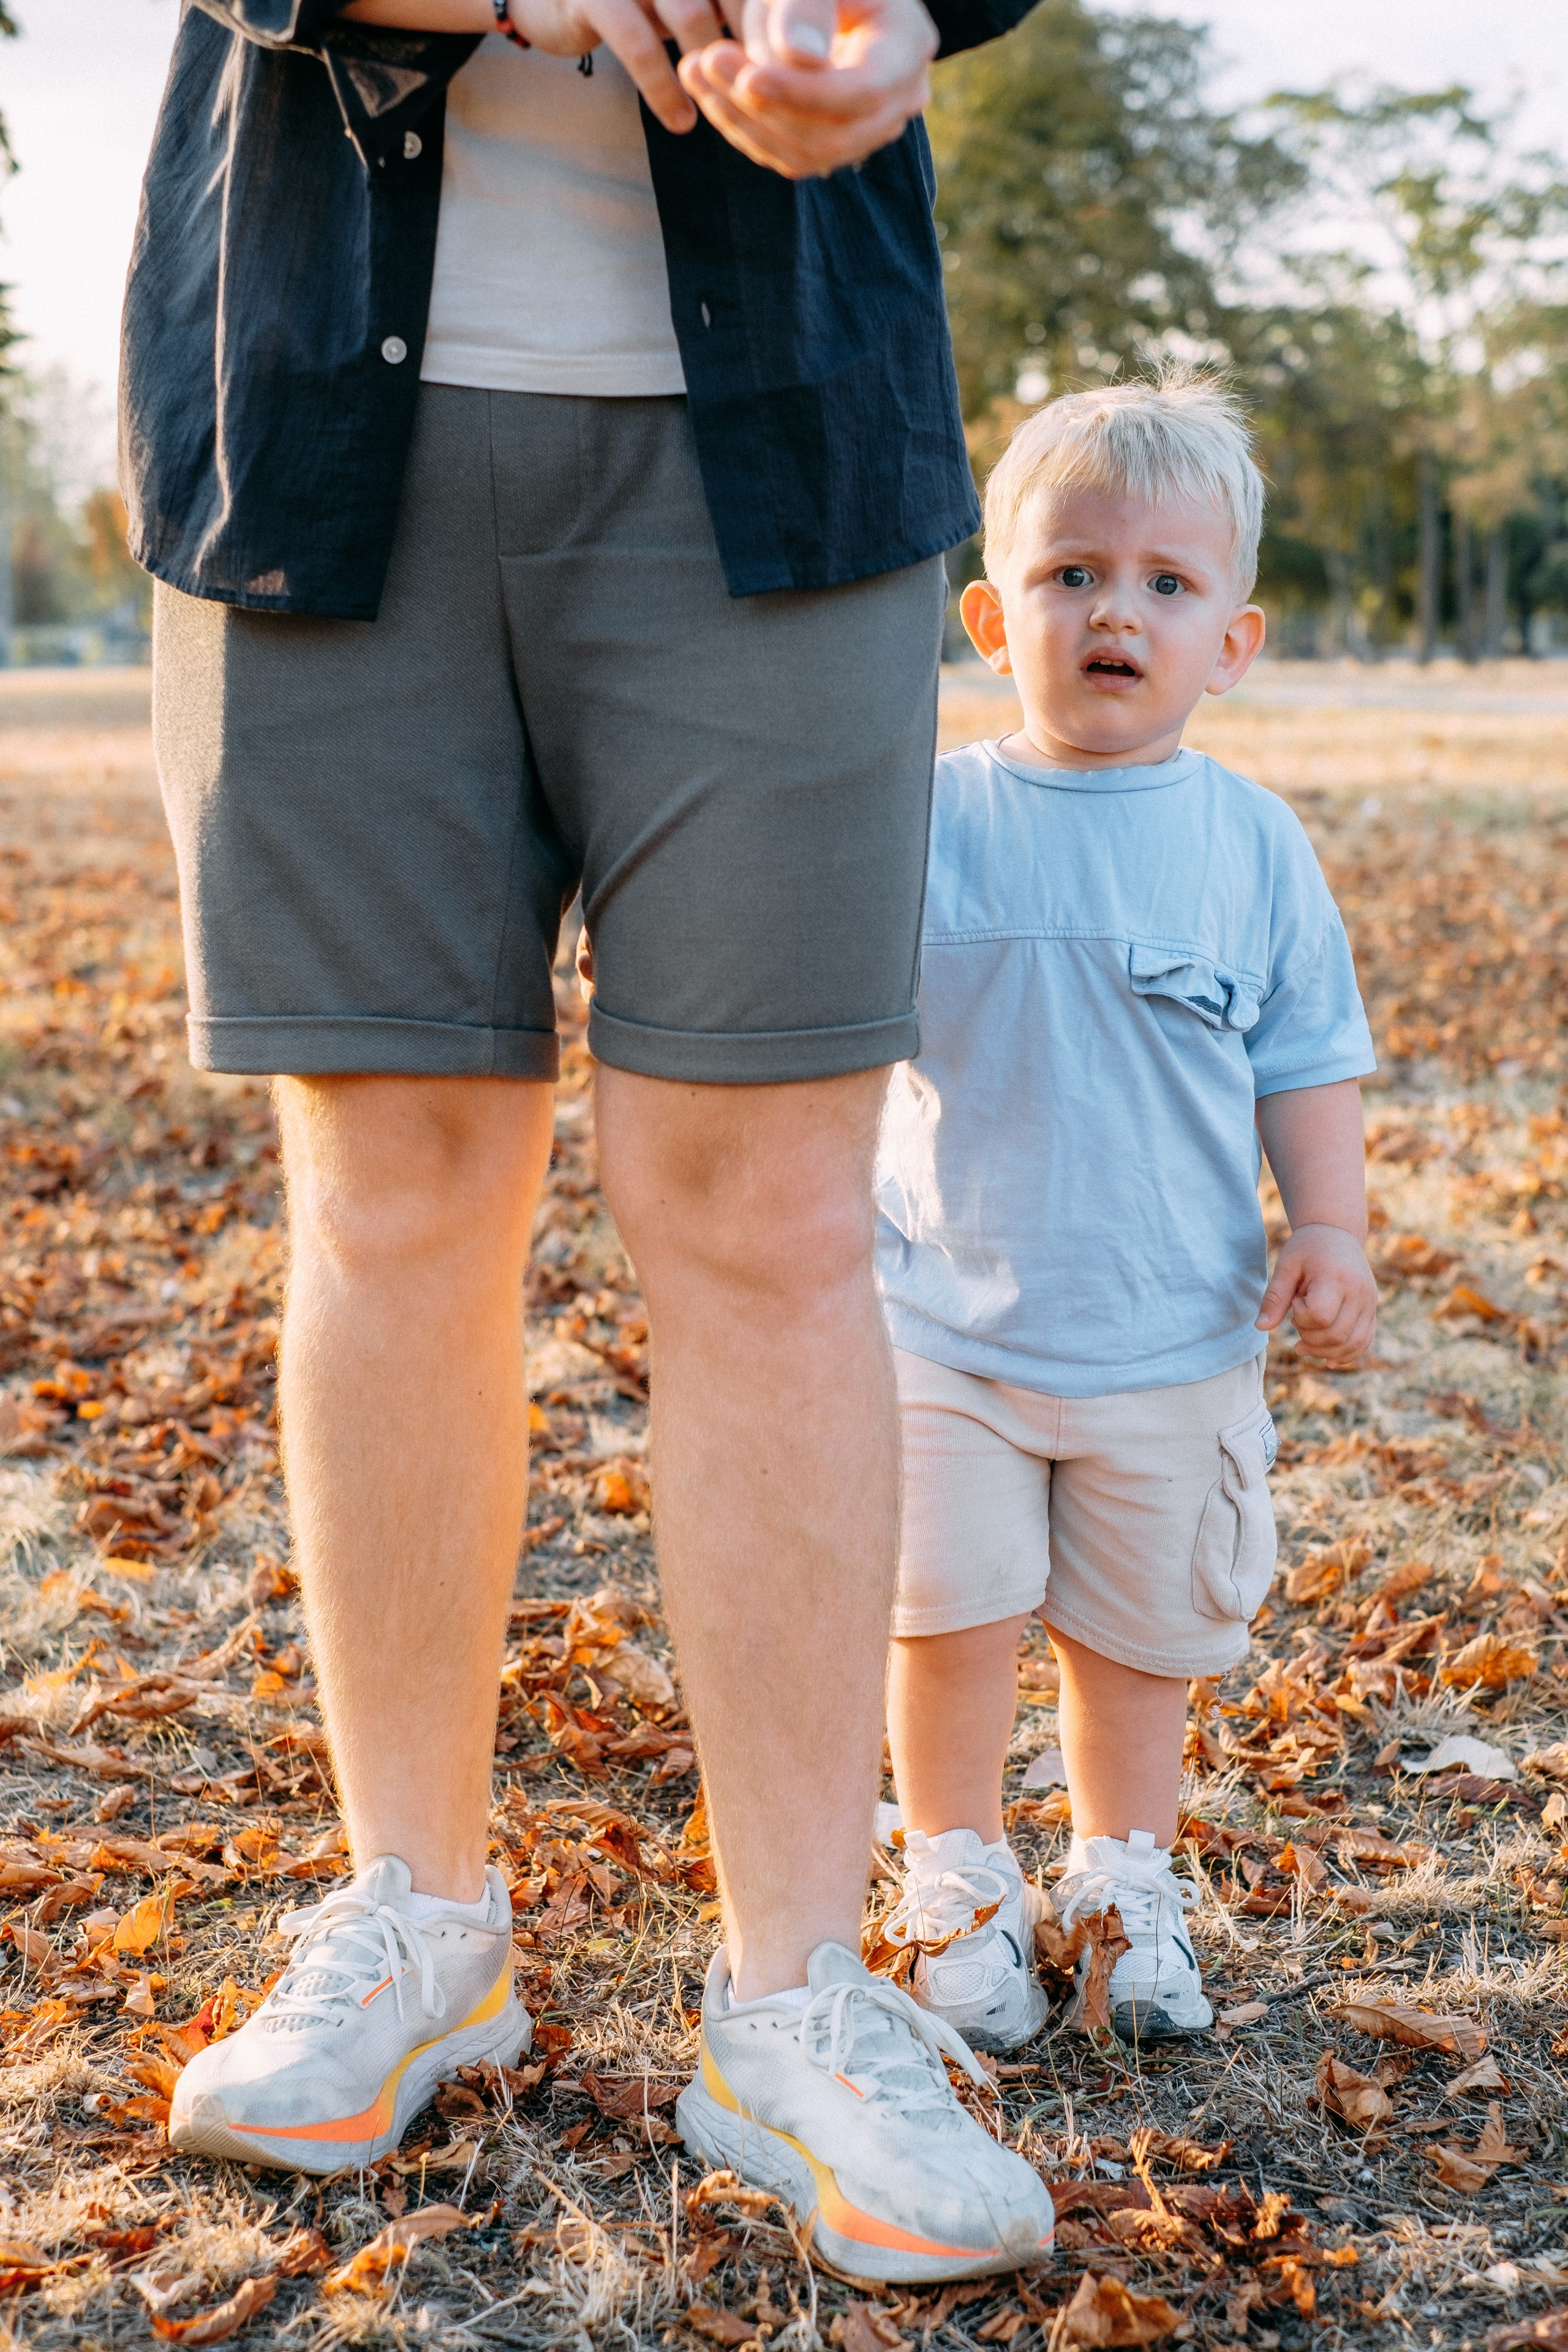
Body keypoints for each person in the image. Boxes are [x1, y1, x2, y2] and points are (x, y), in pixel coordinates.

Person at [129, 0, 1054, 2283]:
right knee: (392, 1195)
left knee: (771, 1218)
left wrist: (903, 23)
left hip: (787, 444)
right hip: (312, 416)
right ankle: (416, 1920)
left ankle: (797, 1997)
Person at [872, 375, 1379, 2049]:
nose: (1116, 613)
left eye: (1166, 584)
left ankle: (1119, 1878)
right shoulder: (932, 818)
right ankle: (955, 1875)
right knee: (946, 1614)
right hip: (944, 1326)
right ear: (988, 619)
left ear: (1230, 642)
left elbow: (1307, 1055)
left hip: (1173, 1340)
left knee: (1140, 1637)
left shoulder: (1249, 844)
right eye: (1072, 573)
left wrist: (1330, 1229)